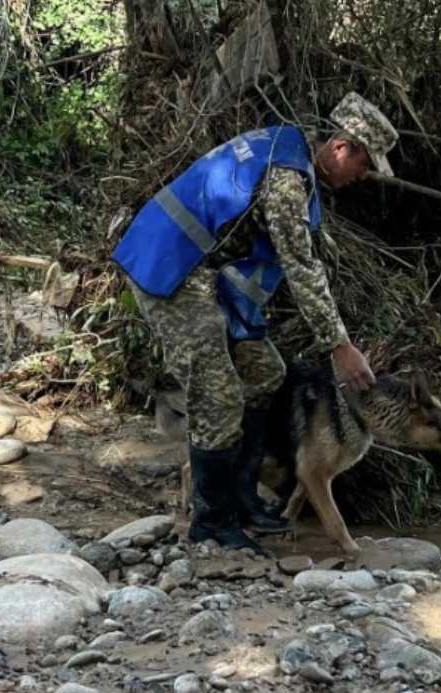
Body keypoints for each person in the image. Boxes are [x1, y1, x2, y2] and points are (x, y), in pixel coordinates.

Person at [112, 93, 400, 553]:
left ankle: (245, 498)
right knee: (220, 396)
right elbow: (301, 266)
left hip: (203, 275)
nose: (363, 176)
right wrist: (338, 344)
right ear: (341, 148)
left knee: (267, 373)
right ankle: (213, 522)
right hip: (169, 270)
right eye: (365, 165)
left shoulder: (292, 152)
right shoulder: (287, 180)